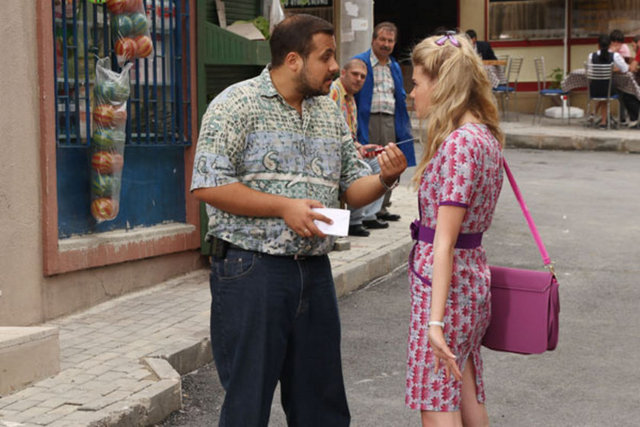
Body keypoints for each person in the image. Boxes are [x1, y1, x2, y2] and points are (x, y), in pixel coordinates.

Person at [190, 14, 407, 426]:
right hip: (251, 270)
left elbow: (352, 187)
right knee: (247, 403)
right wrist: (283, 207)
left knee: (321, 404)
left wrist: (384, 178)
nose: (334, 67)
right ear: (293, 60)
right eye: (325, 57)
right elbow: (207, 185)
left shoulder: (328, 112)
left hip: (315, 271)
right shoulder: (235, 104)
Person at [405, 31, 504, 426]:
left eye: (416, 83)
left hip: (445, 290)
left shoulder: (459, 143)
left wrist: (434, 322)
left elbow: (444, 242)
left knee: (436, 399)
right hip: (471, 279)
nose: (412, 93)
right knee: (464, 387)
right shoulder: (485, 136)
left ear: (441, 84)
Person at [353, 21, 416, 223]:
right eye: (382, 39)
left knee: (391, 161)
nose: (386, 44)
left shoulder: (394, 66)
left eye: (390, 41)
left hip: (390, 120)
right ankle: (366, 212)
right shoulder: (361, 63)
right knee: (369, 163)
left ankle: (382, 208)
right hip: (368, 120)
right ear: (373, 40)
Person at [329, 58, 389, 236]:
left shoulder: (351, 99)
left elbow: (350, 135)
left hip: (348, 148)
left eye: (363, 76)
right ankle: (354, 221)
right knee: (363, 170)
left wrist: (361, 147)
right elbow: (332, 131)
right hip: (334, 151)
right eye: (355, 74)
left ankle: (368, 216)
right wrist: (354, 150)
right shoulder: (334, 92)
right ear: (343, 73)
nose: (359, 79)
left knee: (381, 163)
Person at [589, 34, 639, 128]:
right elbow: (625, 69)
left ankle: (599, 118)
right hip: (608, 90)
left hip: (593, 90)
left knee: (603, 88)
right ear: (610, 45)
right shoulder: (614, 55)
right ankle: (606, 121)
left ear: (598, 45)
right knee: (617, 89)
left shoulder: (591, 56)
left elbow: (590, 70)